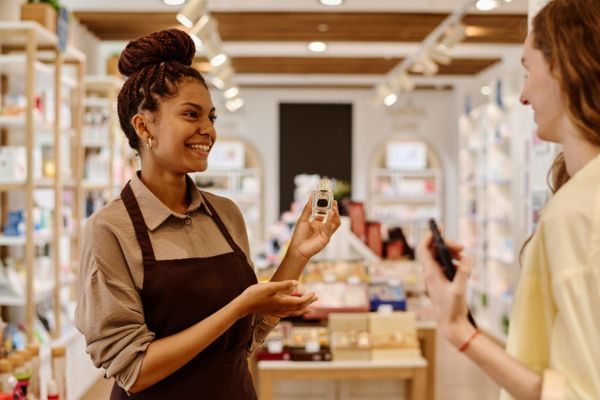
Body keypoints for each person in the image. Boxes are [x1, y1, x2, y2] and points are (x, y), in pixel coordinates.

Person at [74, 29, 341, 400]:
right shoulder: (111, 229)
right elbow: (133, 371)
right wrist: (238, 307)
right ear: (143, 125)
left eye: (211, 117)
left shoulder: (225, 214)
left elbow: (249, 335)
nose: (209, 131)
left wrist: (297, 253)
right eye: (190, 114)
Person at [418, 0, 600, 398]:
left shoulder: (579, 211)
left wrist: (459, 331)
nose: (522, 95)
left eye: (527, 70)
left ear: (564, 70)